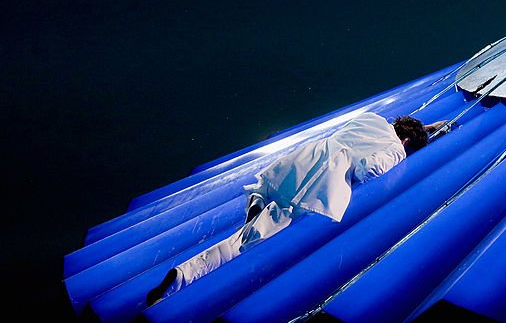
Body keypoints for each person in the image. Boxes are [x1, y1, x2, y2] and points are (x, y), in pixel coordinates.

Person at [146, 113, 446, 306]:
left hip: (295, 164)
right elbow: (370, 170)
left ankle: (257, 203)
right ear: (406, 142)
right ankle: (181, 278)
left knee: (262, 193)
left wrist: (428, 128)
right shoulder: (396, 149)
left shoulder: (371, 119)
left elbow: (398, 131)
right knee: (248, 241)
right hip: (314, 182)